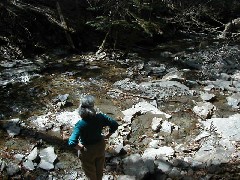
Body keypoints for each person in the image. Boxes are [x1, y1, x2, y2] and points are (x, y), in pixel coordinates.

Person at [68, 95, 119, 180]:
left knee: (90, 173)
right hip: (100, 146)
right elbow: (114, 124)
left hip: (87, 150)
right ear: (93, 108)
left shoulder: (80, 124)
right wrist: (108, 135)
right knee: (100, 168)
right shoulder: (101, 117)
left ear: (81, 109)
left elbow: (71, 142)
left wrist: (80, 147)